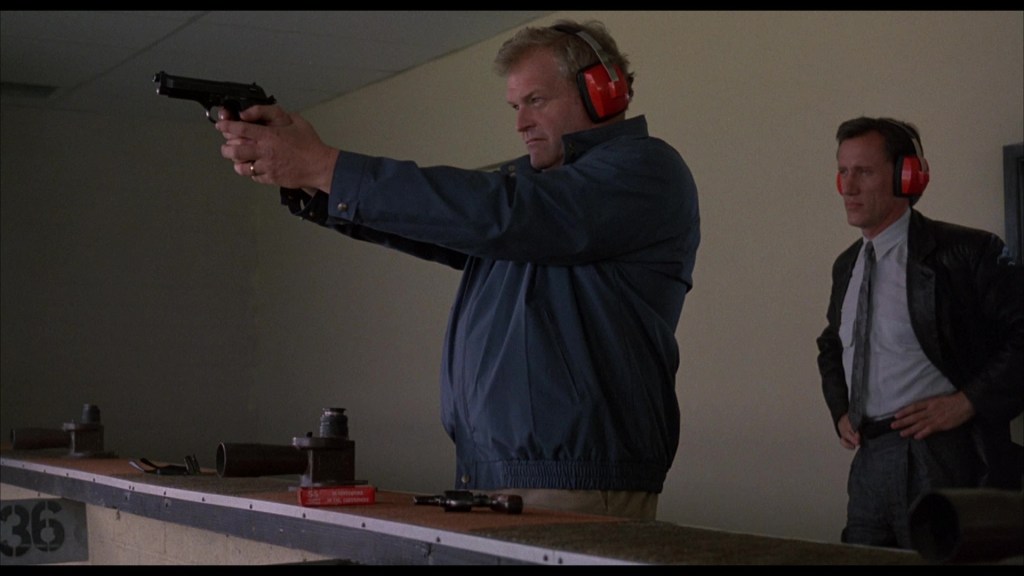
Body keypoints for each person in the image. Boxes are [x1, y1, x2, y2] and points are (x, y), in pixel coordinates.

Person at [214, 19, 700, 520]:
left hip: (574, 480)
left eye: (536, 100)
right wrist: (317, 184)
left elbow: (494, 212)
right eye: (515, 107)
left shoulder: (645, 170)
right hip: (495, 474)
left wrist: (326, 167)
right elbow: (445, 222)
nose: (521, 123)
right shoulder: (533, 202)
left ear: (604, 90)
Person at [816, 116, 1023, 548]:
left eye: (864, 172)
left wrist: (967, 402)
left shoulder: (965, 254)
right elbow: (831, 346)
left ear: (906, 176)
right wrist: (841, 410)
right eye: (842, 171)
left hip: (943, 456)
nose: (848, 187)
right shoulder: (847, 265)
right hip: (870, 461)